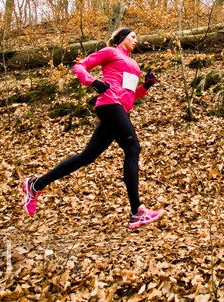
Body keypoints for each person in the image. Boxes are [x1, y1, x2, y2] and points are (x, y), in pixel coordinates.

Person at [22, 28, 164, 229]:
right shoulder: (110, 52)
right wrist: (93, 81)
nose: (136, 40)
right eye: (133, 37)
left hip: (119, 109)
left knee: (87, 157)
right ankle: (136, 211)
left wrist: (145, 87)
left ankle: (35, 185)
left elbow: (131, 96)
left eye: (137, 38)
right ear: (122, 38)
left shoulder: (133, 64)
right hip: (109, 105)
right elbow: (79, 66)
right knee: (133, 149)